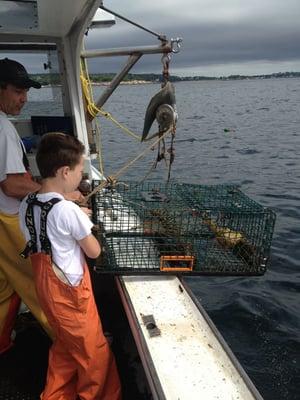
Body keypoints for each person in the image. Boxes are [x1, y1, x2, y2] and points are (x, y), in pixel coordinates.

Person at [19, 132, 121, 400]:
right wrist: (83, 222)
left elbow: (47, 231)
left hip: (45, 289)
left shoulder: (26, 205)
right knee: (94, 355)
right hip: (71, 296)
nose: (81, 178)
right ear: (65, 171)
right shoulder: (67, 211)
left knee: (65, 348)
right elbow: (94, 251)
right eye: (79, 171)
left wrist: (74, 213)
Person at [0, 58, 55, 353]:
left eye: (26, 92)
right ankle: (71, 344)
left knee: (4, 290)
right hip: (7, 222)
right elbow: (11, 185)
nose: (24, 99)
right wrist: (53, 193)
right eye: (18, 91)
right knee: (41, 286)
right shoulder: (3, 128)